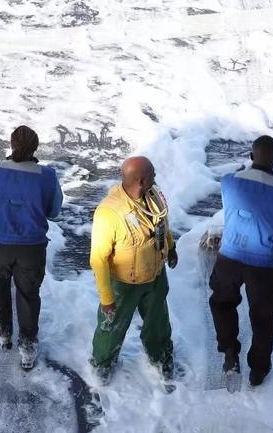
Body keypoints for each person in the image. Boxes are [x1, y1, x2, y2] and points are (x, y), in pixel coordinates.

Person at [209, 135, 273, 386]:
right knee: (263, 317)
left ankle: (229, 352)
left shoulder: (228, 181)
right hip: (263, 267)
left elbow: (231, 212)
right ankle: (258, 371)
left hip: (228, 259)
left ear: (250, 156)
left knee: (223, 304)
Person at [89, 156, 178, 385]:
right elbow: (98, 259)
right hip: (124, 283)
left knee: (158, 323)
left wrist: (171, 248)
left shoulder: (154, 196)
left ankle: (161, 357)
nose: (156, 178)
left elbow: (162, 223)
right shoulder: (109, 213)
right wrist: (107, 298)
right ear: (141, 180)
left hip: (155, 276)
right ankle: (103, 363)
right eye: (153, 175)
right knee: (112, 327)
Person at [0, 125, 63, 370]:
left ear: (11, 144)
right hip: (31, 247)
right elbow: (54, 211)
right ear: (35, 149)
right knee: (28, 294)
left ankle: (4, 333)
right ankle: (27, 346)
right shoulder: (47, 175)